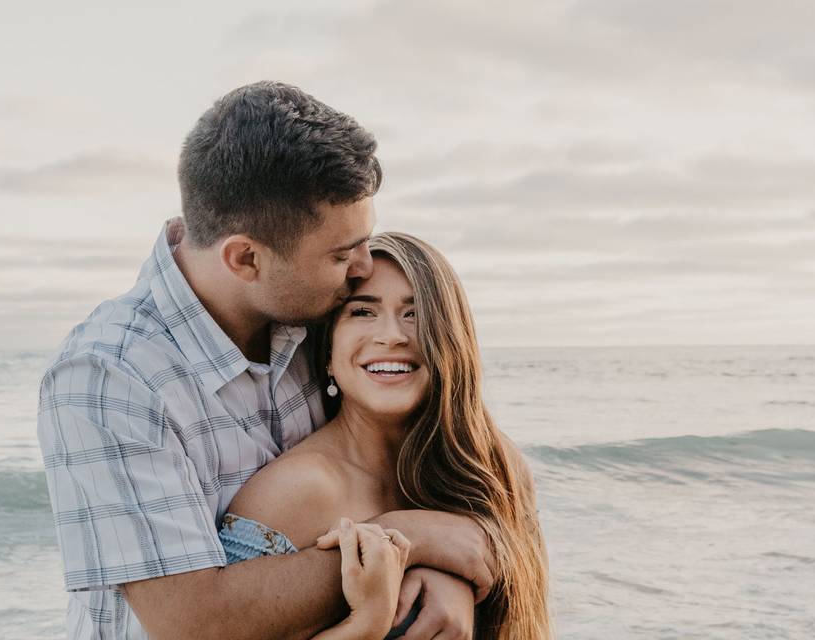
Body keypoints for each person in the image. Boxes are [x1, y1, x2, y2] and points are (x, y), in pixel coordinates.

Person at [37, 81, 496, 640]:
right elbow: (196, 625)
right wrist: (405, 540)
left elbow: (433, 442)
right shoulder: (110, 378)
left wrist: (447, 571)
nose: (362, 266)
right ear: (246, 258)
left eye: (364, 239)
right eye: (339, 253)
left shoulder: (309, 311)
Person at [219, 232, 551, 639]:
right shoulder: (298, 490)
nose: (392, 335)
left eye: (415, 314)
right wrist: (368, 622)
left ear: (452, 339)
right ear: (328, 350)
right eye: (363, 312)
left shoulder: (497, 467)